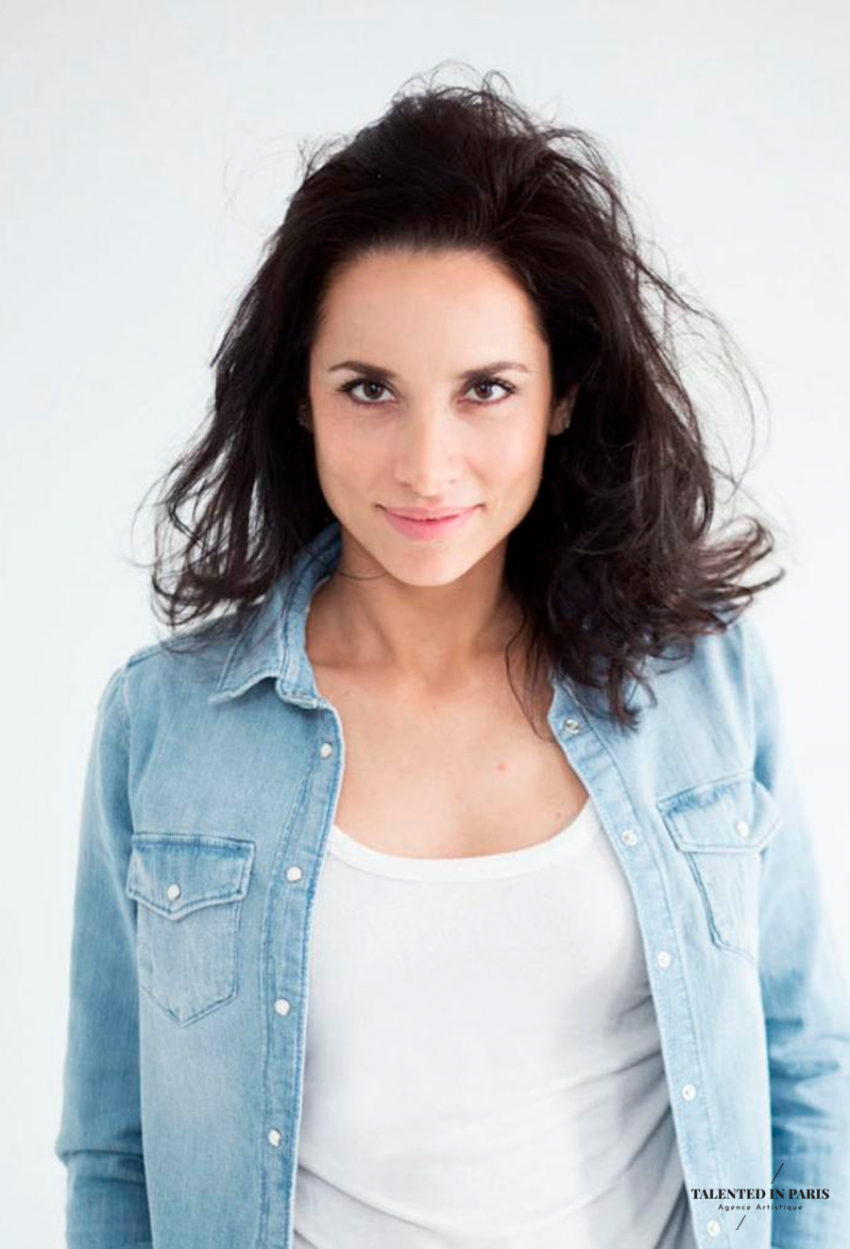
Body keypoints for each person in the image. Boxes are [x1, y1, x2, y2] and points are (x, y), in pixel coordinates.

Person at [54, 67, 850, 1249]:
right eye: (369, 389)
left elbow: (802, 1073)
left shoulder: (704, 684)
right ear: (302, 399)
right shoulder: (169, 721)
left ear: (561, 395)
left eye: (485, 389)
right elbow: (116, 1152)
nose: (427, 465)